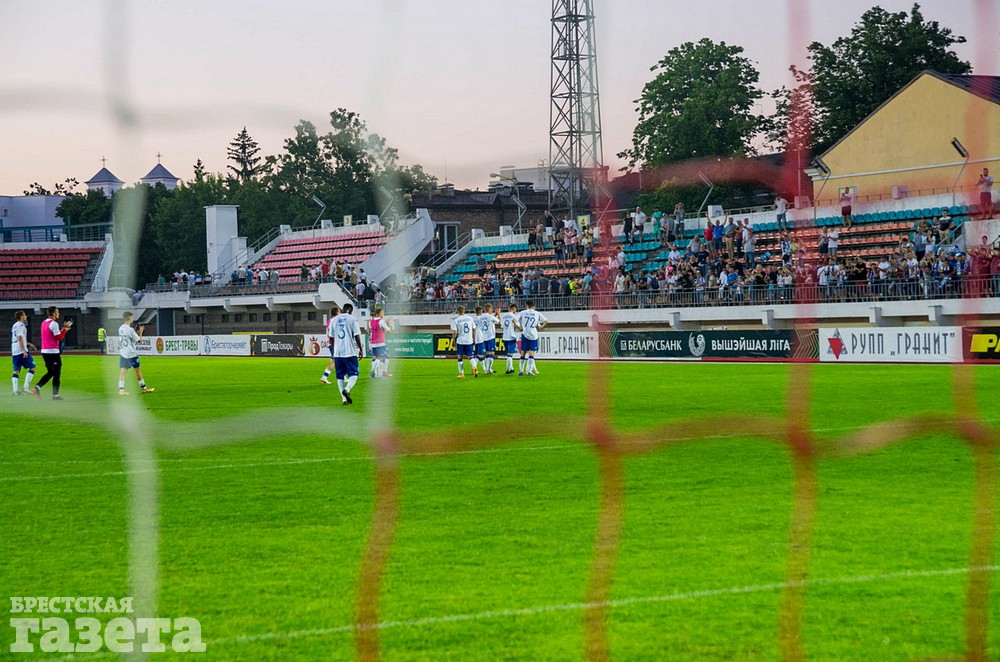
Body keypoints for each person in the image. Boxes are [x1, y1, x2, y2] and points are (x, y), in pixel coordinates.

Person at [326, 303, 363, 405]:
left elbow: (331, 337)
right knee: (354, 374)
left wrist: (334, 350)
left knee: (340, 376)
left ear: (342, 310)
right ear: (350, 311)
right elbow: (356, 335)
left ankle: (344, 400)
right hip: (350, 353)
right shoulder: (352, 319)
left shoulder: (334, 320)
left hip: (338, 354)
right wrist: (360, 349)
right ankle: (347, 389)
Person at [33, 306, 70, 400]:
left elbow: (52, 335)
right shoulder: (54, 324)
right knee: (56, 373)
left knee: (50, 372)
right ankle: (55, 395)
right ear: (53, 313)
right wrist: (65, 329)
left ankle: (37, 387)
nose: (59, 314)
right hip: (52, 352)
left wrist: (62, 329)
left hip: (45, 351)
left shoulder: (44, 323)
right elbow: (59, 338)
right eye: (57, 312)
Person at [117, 312, 154, 395]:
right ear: (129, 318)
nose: (132, 319)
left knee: (123, 370)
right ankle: (144, 388)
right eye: (132, 317)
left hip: (123, 352)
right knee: (137, 370)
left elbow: (129, 338)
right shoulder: (130, 329)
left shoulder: (120, 328)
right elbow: (139, 340)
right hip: (131, 353)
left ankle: (121, 390)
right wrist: (140, 332)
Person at [513, 299, 548, 376]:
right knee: (531, 354)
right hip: (533, 335)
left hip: (525, 334)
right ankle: (529, 371)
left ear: (526, 306)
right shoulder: (537, 313)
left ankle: (521, 371)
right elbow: (546, 321)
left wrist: (519, 328)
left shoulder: (523, 312)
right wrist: (541, 327)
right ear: (533, 306)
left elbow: (514, 320)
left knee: (523, 353)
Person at [11, 311, 38, 397]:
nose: (26, 316)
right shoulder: (21, 325)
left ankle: (15, 391)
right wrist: (24, 351)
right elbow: (19, 338)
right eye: (25, 315)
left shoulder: (15, 325)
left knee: (16, 371)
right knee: (33, 368)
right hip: (21, 351)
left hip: (14, 351)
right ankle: (25, 388)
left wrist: (29, 344)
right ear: (21, 316)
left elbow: (19, 338)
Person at [450, 304, 478, 378]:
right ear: (464, 311)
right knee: (471, 356)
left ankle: (461, 373)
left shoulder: (456, 320)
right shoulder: (470, 318)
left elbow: (455, 332)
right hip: (469, 340)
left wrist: (453, 340)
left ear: (458, 312)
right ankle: (475, 368)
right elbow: (474, 328)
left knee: (460, 357)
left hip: (461, 340)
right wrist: (474, 338)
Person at [368, 307, 392, 379]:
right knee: (382, 357)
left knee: (376, 357)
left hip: (373, 342)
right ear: (380, 313)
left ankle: (373, 371)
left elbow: (375, 330)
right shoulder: (381, 321)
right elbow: (388, 330)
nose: (383, 314)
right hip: (380, 342)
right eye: (382, 313)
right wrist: (389, 324)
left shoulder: (371, 321)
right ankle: (379, 374)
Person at [476, 303, 500, 375]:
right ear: (489, 309)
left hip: (483, 337)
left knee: (486, 354)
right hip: (490, 337)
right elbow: (498, 321)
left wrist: (494, 314)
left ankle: (488, 368)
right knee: (491, 354)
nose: (492, 310)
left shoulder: (480, 317)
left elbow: (489, 320)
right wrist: (498, 314)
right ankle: (488, 369)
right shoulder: (490, 317)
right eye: (491, 309)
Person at [500, 303, 521, 374]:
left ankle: (510, 368)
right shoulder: (514, 316)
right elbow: (518, 326)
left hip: (505, 336)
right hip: (511, 336)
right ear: (514, 309)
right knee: (510, 354)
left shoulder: (503, 316)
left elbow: (502, 326)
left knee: (508, 354)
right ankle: (508, 368)